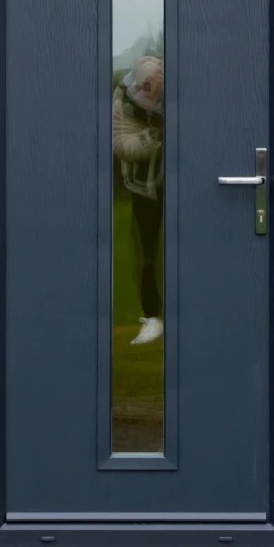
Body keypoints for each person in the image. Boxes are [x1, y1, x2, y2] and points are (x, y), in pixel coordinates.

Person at [112, 54, 165, 345]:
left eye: (155, 83)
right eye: (144, 84)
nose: (149, 89)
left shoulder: (179, 94)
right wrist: (155, 135)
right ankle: (153, 318)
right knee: (147, 256)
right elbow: (121, 145)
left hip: (183, 187)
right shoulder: (123, 99)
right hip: (143, 189)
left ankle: (196, 314)